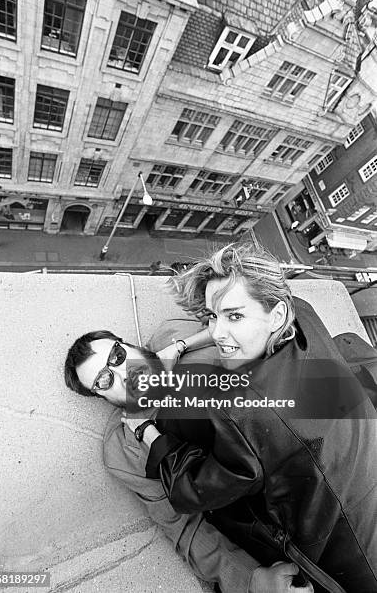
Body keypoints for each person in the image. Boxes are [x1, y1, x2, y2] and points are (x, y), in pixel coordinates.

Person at [121, 242, 377, 593]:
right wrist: (179, 346)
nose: (217, 333)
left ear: (275, 315)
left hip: (346, 560)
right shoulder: (301, 312)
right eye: (212, 317)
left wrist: (148, 433)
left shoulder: (243, 411)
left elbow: (194, 493)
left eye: (234, 316)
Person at [64, 328, 312, 593]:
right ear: (101, 397)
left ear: (129, 345)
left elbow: (250, 324)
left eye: (117, 355)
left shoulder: (175, 338)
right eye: (104, 380)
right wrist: (250, 579)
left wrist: (182, 344)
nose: (124, 373)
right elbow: (184, 527)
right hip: (280, 513)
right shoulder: (125, 450)